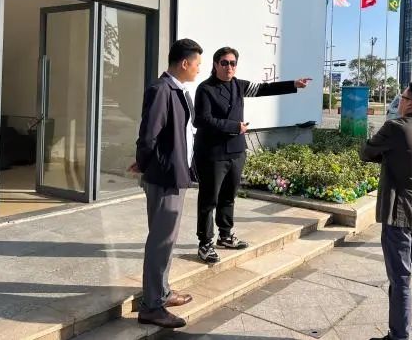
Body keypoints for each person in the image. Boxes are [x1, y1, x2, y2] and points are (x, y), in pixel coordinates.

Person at [194, 46, 311, 263]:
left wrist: (293, 84)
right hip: (213, 153)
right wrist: (234, 127)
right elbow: (201, 120)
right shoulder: (205, 89)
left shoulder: (239, 85)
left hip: (237, 151)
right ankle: (205, 243)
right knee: (209, 200)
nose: (229, 67)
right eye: (224, 63)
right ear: (215, 64)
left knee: (228, 197)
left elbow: (264, 88)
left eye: (233, 63)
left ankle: (225, 236)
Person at [361, 82, 412, 340]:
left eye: (402, 97)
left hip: (399, 212)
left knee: (400, 278)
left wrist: (386, 155)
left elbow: (366, 152)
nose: (399, 101)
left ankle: (398, 335)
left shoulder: (395, 127)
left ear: (410, 103)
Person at [132, 38, 203, 329]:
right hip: (164, 176)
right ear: (184, 63)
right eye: (197, 64)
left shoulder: (178, 90)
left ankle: (161, 292)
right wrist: (144, 163)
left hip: (175, 174)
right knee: (160, 242)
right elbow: (148, 135)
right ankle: (151, 306)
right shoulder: (162, 90)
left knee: (166, 239)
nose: (199, 69)